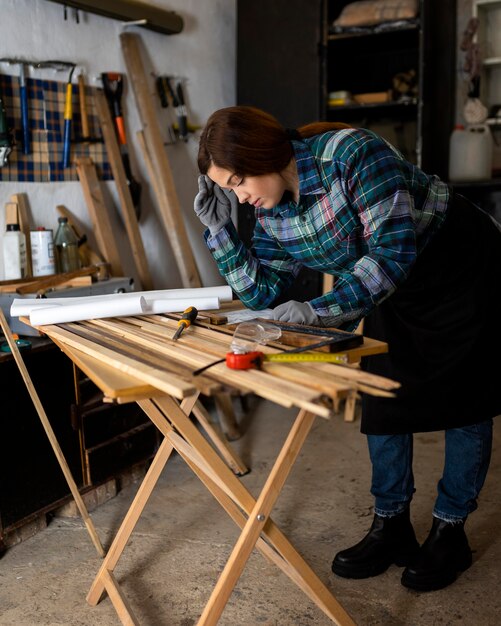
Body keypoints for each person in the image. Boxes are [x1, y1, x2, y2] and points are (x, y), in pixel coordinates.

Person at [193, 105, 501, 592]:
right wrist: (221, 234)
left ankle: (451, 529)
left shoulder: (354, 155)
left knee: (465, 399)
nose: (240, 196)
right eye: (227, 189)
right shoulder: (271, 212)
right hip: (384, 283)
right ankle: (392, 524)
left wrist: (319, 311)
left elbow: (392, 253)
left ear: (261, 153)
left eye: (237, 182)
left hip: (457, 263)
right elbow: (265, 296)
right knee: (381, 397)